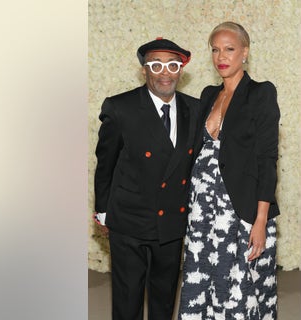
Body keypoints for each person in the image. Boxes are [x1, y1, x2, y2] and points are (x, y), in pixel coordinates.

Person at [93, 37, 201, 320]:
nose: (165, 72)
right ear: (145, 70)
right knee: (127, 300)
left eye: (172, 65)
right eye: (156, 65)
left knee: (164, 300)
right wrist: (104, 211)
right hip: (129, 220)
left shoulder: (196, 109)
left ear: (181, 70)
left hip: (171, 223)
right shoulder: (120, 108)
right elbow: (106, 163)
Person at [178, 22, 281, 319]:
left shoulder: (260, 93)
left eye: (229, 49)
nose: (221, 56)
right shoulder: (209, 94)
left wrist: (260, 220)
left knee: (238, 286)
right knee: (204, 280)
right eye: (215, 49)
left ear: (244, 53)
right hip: (202, 210)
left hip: (240, 211)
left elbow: (267, 157)